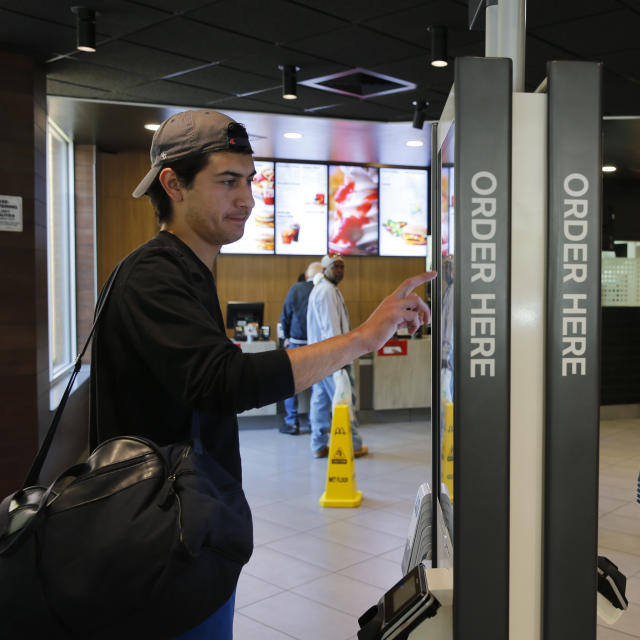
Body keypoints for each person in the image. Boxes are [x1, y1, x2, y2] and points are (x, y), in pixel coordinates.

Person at [89, 109, 433, 637]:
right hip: (161, 550)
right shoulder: (154, 274)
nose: (247, 199)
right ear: (173, 184)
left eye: (249, 181)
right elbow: (223, 382)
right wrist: (363, 338)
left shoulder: (188, 272)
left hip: (190, 532)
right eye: (227, 181)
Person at [306, 254, 366, 458]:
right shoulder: (327, 291)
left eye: (342, 267)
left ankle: (318, 445)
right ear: (325, 269)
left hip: (320, 359)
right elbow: (331, 328)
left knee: (321, 402)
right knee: (344, 401)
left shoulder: (324, 289)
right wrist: (339, 360)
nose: (340, 270)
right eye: (336, 267)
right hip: (333, 359)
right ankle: (353, 445)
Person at [278, 261, 324, 434]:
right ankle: (315, 423)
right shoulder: (325, 290)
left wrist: (287, 337)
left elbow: (286, 315)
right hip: (318, 344)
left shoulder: (296, 289)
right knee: (317, 387)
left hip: (296, 342)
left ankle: (292, 422)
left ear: (306, 276)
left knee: (291, 384)